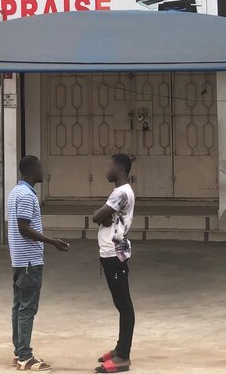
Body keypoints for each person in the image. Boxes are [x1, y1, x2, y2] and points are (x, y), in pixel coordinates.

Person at [7, 155, 70, 372]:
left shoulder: (15, 192)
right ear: (32, 170)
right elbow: (24, 228)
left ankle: (19, 352)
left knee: (19, 306)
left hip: (19, 260)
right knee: (27, 308)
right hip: (29, 261)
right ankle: (25, 357)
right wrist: (52, 241)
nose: (43, 171)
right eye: (40, 167)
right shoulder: (26, 195)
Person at [92, 154, 136, 374]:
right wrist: (103, 217)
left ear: (119, 168)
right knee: (121, 304)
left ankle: (123, 357)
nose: (106, 169)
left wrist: (100, 216)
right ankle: (120, 348)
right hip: (111, 253)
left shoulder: (120, 193)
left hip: (114, 254)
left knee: (124, 305)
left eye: (109, 165)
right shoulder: (121, 192)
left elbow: (96, 216)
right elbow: (105, 217)